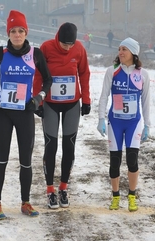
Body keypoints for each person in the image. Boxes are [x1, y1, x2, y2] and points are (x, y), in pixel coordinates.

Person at [0, 10, 52, 219]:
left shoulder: (35, 54)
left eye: (21, 31)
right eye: (13, 31)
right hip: (3, 113)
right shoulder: (0, 52)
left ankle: (25, 202)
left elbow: (48, 79)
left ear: (26, 32)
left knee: (26, 161)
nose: (17, 35)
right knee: (1, 159)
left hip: (24, 113)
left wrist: (38, 99)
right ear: (8, 33)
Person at [33, 22, 91, 209]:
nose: (68, 48)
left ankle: (64, 188)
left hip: (72, 104)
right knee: (51, 145)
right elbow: (38, 76)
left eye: (71, 45)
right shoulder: (47, 47)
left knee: (69, 145)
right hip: (50, 103)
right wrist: (38, 101)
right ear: (58, 38)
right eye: (65, 45)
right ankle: (50, 190)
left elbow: (84, 74)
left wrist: (87, 100)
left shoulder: (79, 49)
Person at [97, 37, 150, 212]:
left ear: (133, 53)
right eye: (119, 49)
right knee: (114, 161)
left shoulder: (142, 74)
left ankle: (132, 196)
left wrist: (147, 125)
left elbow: (146, 101)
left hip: (134, 123)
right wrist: (101, 119)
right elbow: (104, 96)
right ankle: (115, 196)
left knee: (132, 160)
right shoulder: (112, 71)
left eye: (124, 49)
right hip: (115, 123)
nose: (120, 52)